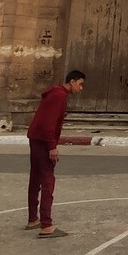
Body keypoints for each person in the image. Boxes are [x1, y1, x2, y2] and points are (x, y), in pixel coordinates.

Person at [26, 69, 85, 237]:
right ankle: (46, 224)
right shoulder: (60, 96)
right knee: (47, 179)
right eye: (80, 84)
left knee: (36, 177)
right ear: (72, 81)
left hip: (36, 138)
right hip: (44, 140)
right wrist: (52, 146)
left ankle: (33, 219)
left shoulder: (54, 93)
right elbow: (49, 123)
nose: (81, 89)